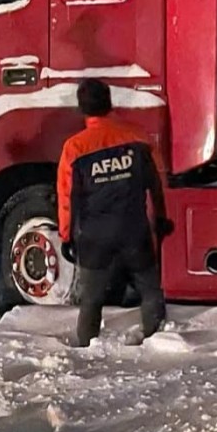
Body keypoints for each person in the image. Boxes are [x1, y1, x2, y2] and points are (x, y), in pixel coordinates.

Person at [56, 78, 174, 347]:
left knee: (91, 299)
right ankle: (157, 339)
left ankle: (86, 345)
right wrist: (161, 220)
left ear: (82, 109)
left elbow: (67, 199)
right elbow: (155, 185)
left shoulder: (74, 148)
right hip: (134, 231)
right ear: (110, 103)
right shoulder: (137, 137)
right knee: (149, 290)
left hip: (95, 238)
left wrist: (66, 236)